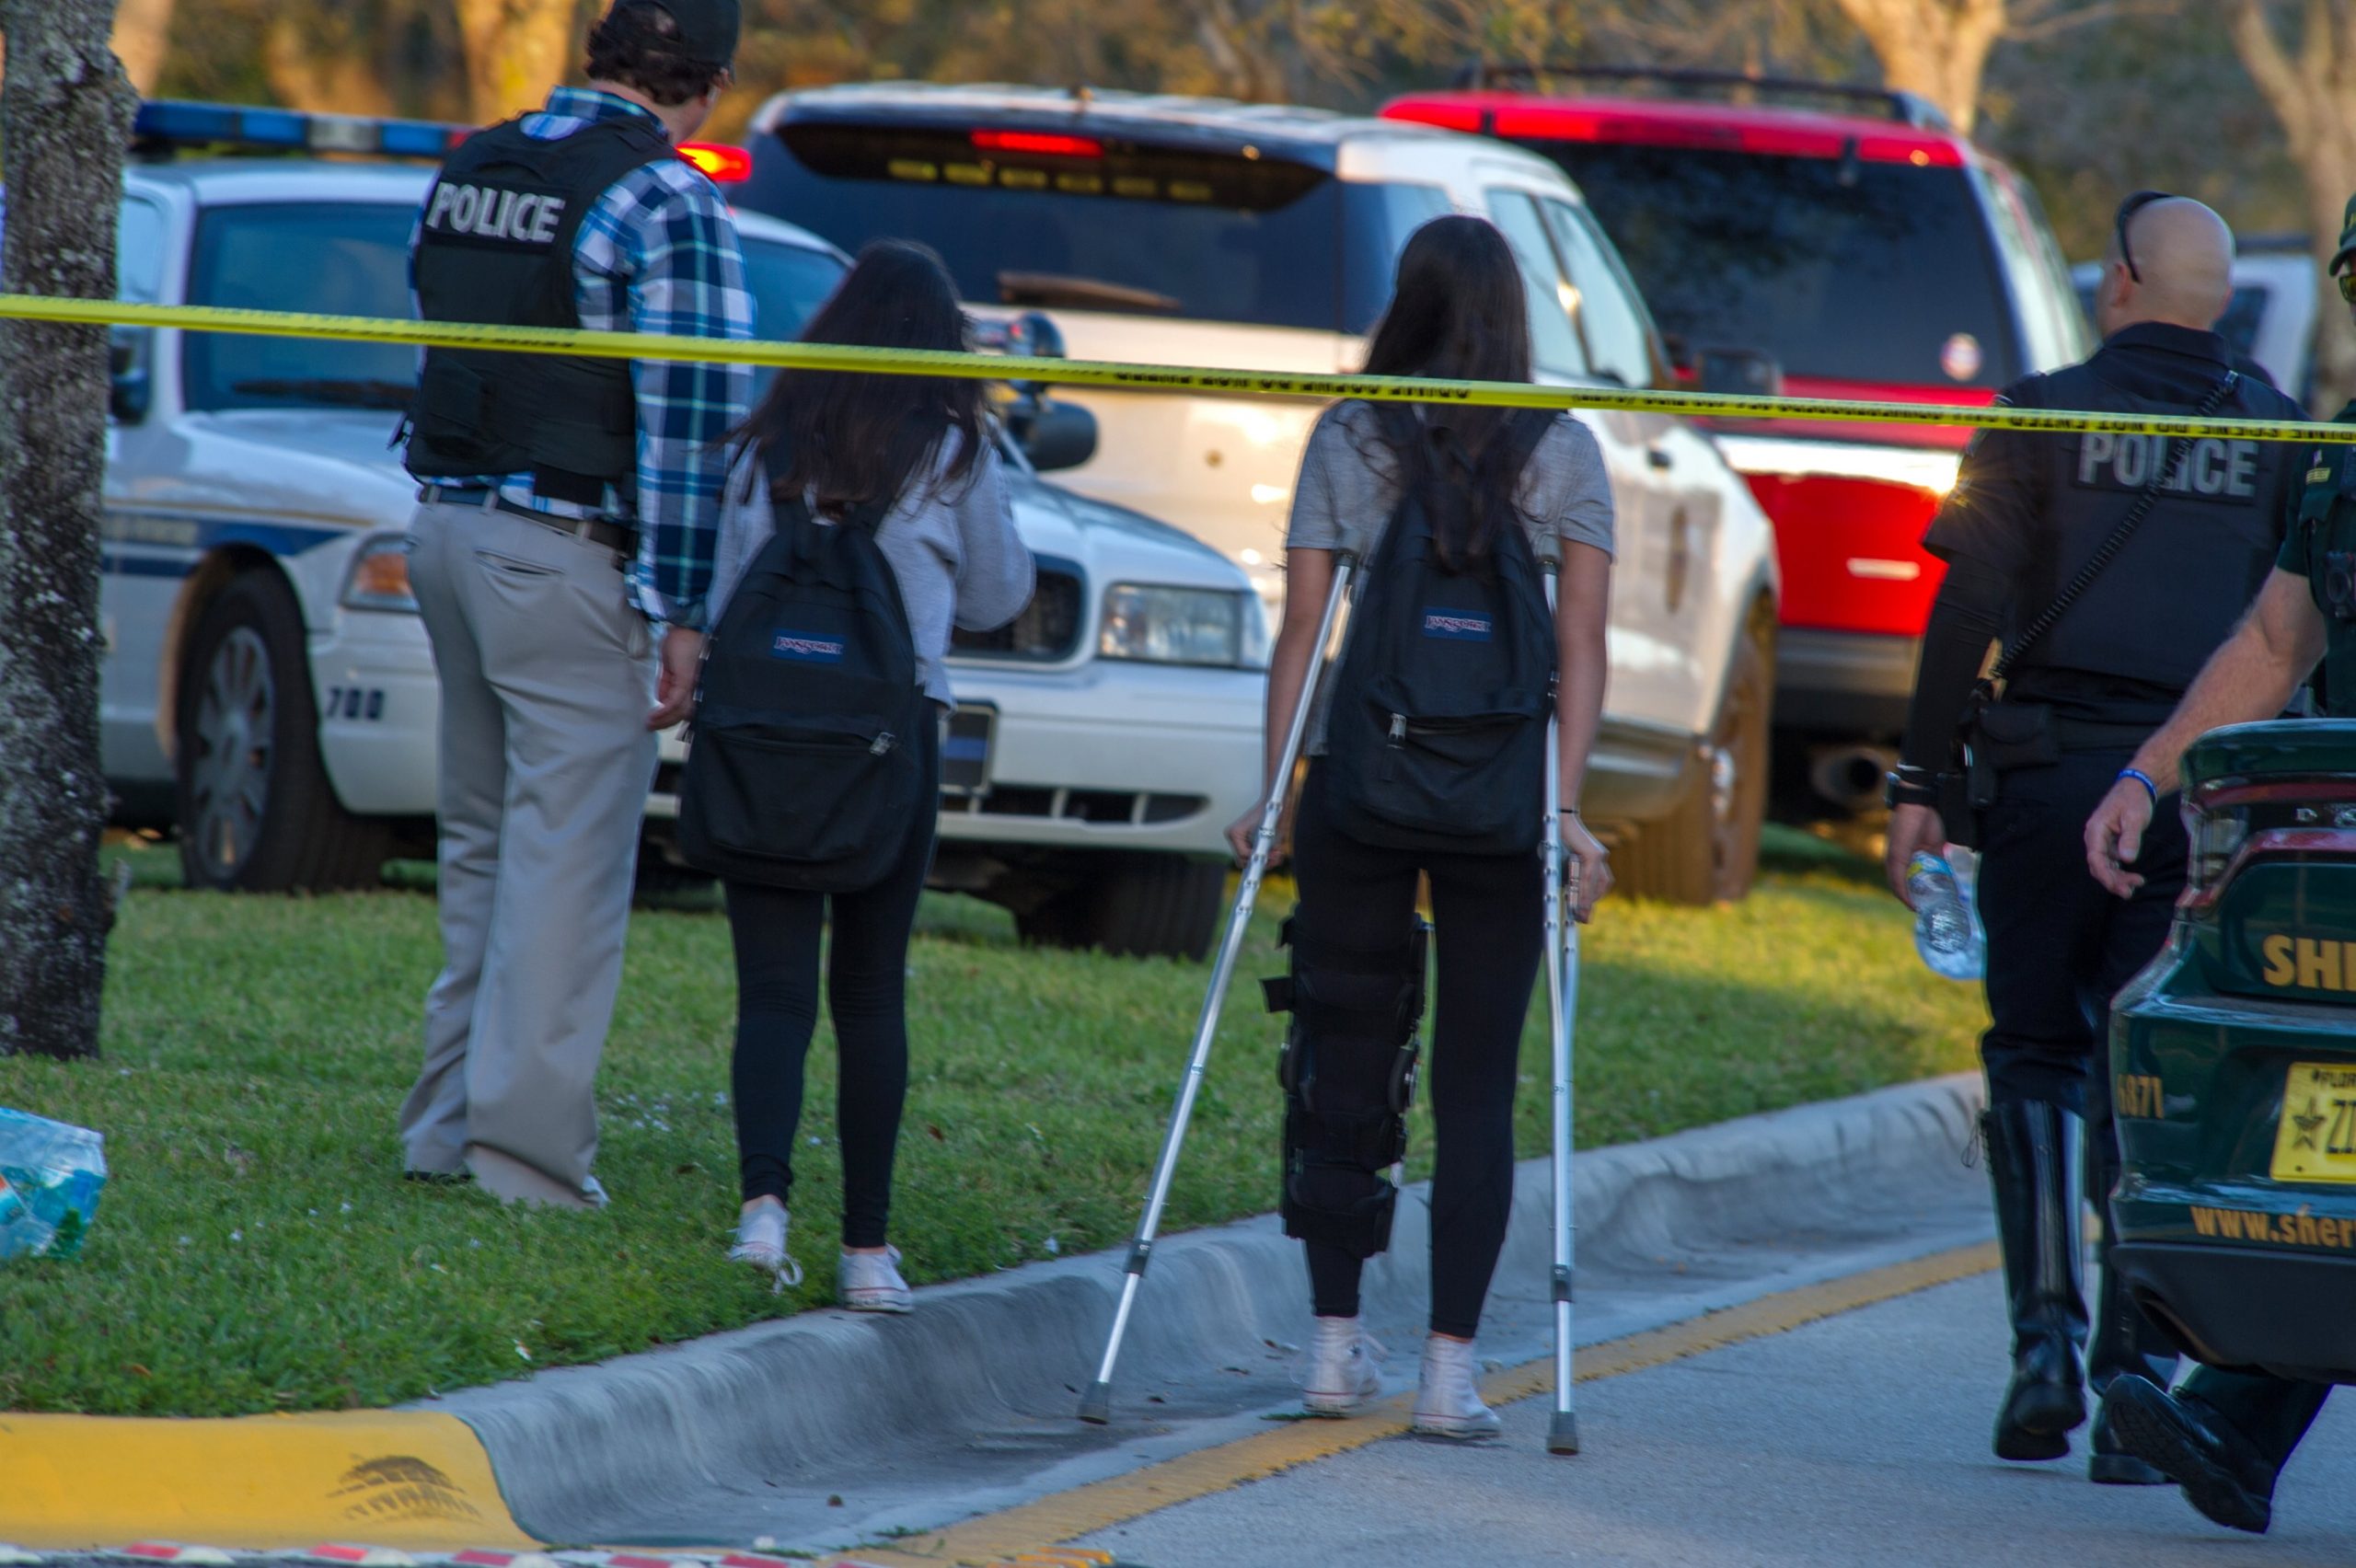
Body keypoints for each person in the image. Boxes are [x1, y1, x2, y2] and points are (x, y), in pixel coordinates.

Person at [1882, 194, 2308, 1477]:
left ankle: (2042, 1350)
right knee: (2155, 1070)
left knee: (2035, 1051)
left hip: (2046, 775)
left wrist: (1920, 780)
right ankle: (2140, 1368)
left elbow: (1970, 604)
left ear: (2120, 280)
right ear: (2220, 296)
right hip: (2208, 792)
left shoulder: (2039, 412)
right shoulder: (2286, 432)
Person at [1229, 214, 1614, 1439]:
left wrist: (1277, 785)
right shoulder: (1563, 450)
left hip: (1359, 784)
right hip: (1502, 802)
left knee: (1340, 1054)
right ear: (1516, 316)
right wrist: (1564, 810)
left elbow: (1303, 628)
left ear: (1405, 303)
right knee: (1479, 1083)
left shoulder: (1350, 433)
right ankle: (1451, 1372)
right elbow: (1584, 646)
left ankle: (1335, 1352)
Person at [398, 0, 753, 1209]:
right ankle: (528, 1165)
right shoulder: (669, 199)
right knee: (565, 876)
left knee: (483, 856)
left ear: (600, 53)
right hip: (560, 553)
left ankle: (445, 1130)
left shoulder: (478, 163)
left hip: (444, 530)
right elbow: (690, 426)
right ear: (705, 83)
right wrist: (686, 610)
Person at [2076, 192, 2356, 1536]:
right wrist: (2151, 774)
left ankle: (2240, 1420)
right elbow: (2269, 645)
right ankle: (2240, 1421)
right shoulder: (2351, 455)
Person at [703, 242, 1034, 1307]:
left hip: (762, 743)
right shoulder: (951, 449)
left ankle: (761, 1215)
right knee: (869, 991)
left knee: (772, 992)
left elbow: (721, 604)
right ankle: (866, 1251)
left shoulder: (764, 446)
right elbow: (995, 596)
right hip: (892, 751)